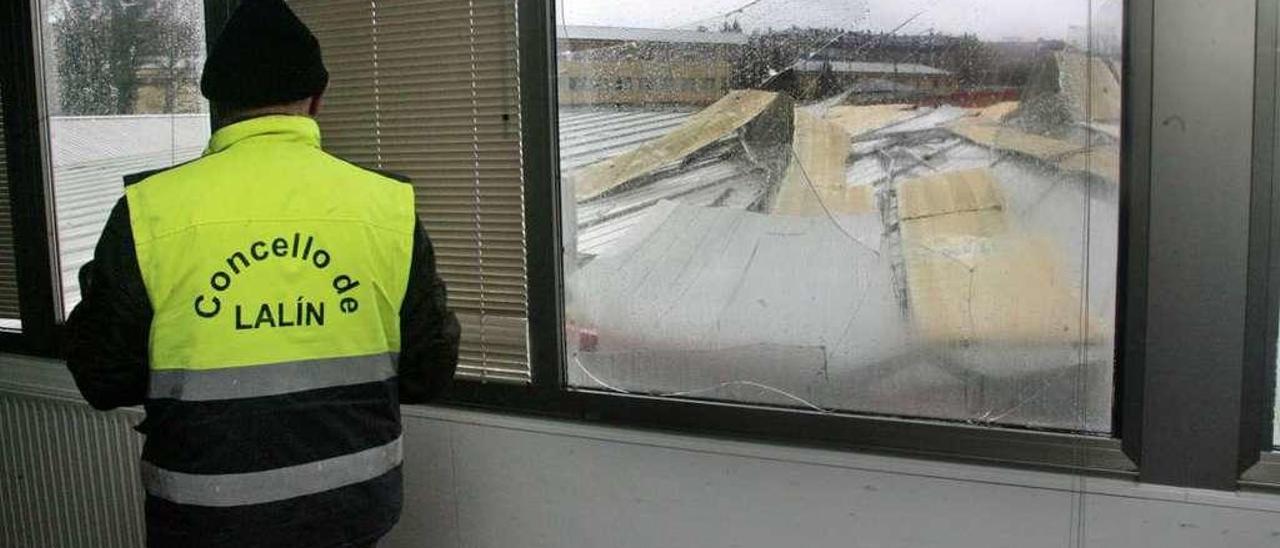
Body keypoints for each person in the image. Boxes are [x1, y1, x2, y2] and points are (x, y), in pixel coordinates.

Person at [63, 0, 460, 546]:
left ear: (217, 103)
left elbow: (103, 378)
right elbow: (428, 372)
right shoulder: (386, 207)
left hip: (207, 518)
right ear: (317, 99)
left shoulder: (149, 212)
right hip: (352, 510)